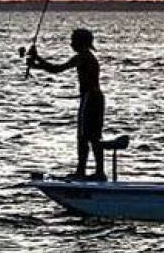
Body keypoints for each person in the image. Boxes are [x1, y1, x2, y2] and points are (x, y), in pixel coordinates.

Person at [29, 28, 106, 181]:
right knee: (92, 136)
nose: (71, 43)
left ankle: (84, 172)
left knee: (85, 137)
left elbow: (58, 69)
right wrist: (37, 62)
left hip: (90, 99)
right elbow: (57, 69)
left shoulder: (83, 57)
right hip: (95, 99)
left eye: (73, 40)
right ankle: (96, 172)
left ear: (81, 42)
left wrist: (38, 60)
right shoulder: (87, 57)